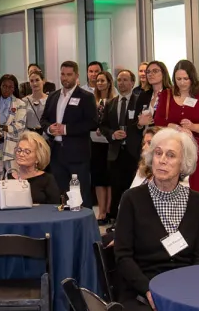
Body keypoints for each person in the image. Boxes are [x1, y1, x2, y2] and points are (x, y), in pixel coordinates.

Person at [114, 128, 199, 311]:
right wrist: (150, 292)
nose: (162, 160)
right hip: (141, 290)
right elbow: (123, 257)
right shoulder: (132, 199)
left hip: (185, 290)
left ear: (184, 163)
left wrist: (185, 293)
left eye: (171, 155)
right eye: (158, 153)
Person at [149, 59, 199, 198]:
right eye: (178, 79)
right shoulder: (166, 95)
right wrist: (174, 127)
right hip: (173, 153)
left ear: (192, 78)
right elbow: (159, 120)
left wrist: (193, 127)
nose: (182, 82)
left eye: (185, 79)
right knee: (174, 197)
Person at [42, 60, 97, 208]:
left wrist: (66, 129)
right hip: (56, 153)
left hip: (77, 154)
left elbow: (92, 123)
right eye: (62, 74)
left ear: (77, 76)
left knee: (81, 195)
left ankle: (85, 228)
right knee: (60, 194)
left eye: (69, 75)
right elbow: (44, 119)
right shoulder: (53, 96)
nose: (65, 78)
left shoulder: (86, 97)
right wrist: (49, 129)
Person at [103, 68, 140, 220]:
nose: (122, 83)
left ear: (132, 82)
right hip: (116, 152)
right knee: (116, 187)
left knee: (133, 187)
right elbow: (103, 125)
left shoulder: (139, 101)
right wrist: (112, 133)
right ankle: (117, 219)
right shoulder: (111, 103)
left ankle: (134, 218)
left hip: (134, 151)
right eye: (119, 80)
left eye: (125, 80)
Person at [9, 130, 61, 205]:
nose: (21, 154)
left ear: (38, 157)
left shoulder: (47, 180)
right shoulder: (8, 178)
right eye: (19, 150)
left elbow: (55, 209)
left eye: (27, 151)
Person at [90, 70, 114, 222]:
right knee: (98, 178)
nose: (99, 83)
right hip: (95, 143)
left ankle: (110, 210)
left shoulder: (115, 100)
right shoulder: (92, 100)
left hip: (110, 144)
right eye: (98, 81)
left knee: (109, 177)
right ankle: (101, 211)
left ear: (109, 83)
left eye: (102, 80)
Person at [0, 74, 28, 179]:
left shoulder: (20, 104)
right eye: (4, 86)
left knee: (13, 176)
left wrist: (0, 128)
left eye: (10, 87)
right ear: (0, 86)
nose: (7, 89)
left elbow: (20, 125)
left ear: (14, 88)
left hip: (11, 145)